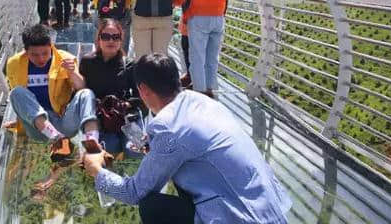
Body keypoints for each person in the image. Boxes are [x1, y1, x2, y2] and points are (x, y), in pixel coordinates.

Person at [83, 54, 292, 224]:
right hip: (272, 209)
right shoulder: (203, 102)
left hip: (242, 217)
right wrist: (155, 146)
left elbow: (134, 192)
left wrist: (97, 171)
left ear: (143, 90)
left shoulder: (166, 126)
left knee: (152, 207)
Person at [3, 24, 96, 150]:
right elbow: (22, 101)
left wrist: (72, 72)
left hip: (62, 121)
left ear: (51, 46)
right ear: (26, 51)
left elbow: (81, 88)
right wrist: (21, 122)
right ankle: (56, 138)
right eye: (34, 54)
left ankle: (92, 140)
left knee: (86, 93)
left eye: (45, 53)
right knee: (16, 92)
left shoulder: (65, 59)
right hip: (38, 128)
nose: (41, 59)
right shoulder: (14, 63)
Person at [79, 19, 143, 158]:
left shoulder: (129, 64)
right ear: (99, 38)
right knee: (109, 147)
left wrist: (125, 104)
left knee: (137, 150)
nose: (111, 41)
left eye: (116, 37)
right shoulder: (87, 62)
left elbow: (142, 98)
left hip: (127, 117)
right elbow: (82, 93)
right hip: (102, 120)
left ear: (121, 40)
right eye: (106, 36)